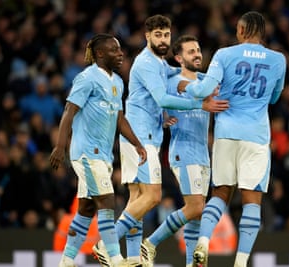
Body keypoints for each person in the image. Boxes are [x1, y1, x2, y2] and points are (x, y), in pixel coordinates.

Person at [91, 15, 229, 267]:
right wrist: (200, 102)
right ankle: (105, 244)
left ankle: (133, 260)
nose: (163, 40)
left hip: (146, 136)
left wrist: (197, 77)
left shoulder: (160, 63)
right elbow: (162, 98)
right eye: (158, 35)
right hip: (140, 139)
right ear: (147, 36)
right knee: (153, 197)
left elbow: (175, 72)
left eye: (166, 35)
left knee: (137, 200)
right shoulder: (146, 63)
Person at [178, 11, 286, 267]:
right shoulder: (279, 59)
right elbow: (274, 98)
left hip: (226, 134)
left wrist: (186, 87)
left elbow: (204, 90)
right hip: (257, 137)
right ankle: (240, 262)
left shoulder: (224, 55)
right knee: (252, 199)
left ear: (240, 30)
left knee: (220, 193)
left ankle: (203, 242)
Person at [49, 33, 147, 267]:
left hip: (103, 155)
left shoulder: (117, 82)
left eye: (120, 49)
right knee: (107, 201)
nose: (121, 53)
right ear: (100, 54)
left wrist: (137, 142)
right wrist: (60, 146)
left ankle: (66, 261)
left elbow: (119, 117)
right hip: (86, 152)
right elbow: (69, 111)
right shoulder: (87, 78)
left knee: (86, 208)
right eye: (115, 50)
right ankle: (114, 258)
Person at [139, 34, 215, 267]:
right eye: (191, 51)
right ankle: (150, 243)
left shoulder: (206, 81)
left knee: (197, 213)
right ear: (179, 58)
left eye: (199, 49)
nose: (198, 54)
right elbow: (154, 103)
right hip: (183, 150)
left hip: (203, 152)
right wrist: (161, 119)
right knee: (195, 206)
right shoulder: (171, 83)